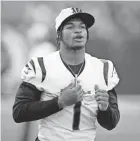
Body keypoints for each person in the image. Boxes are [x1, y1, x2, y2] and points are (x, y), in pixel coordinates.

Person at [13, 7, 120, 141]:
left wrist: (105, 109)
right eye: (70, 27)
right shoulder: (41, 66)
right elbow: (19, 113)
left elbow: (111, 123)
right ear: (59, 34)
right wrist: (59, 102)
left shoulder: (104, 68)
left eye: (82, 26)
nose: (78, 30)